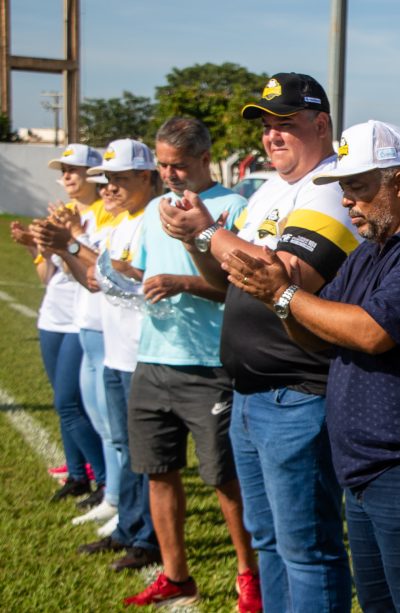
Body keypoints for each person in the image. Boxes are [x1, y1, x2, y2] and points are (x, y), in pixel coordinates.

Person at [221, 119, 400, 612]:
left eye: (356, 187)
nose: (347, 201)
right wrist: (279, 300)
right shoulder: (367, 254)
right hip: (372, 468)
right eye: (342, 189)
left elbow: (371, 333)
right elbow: (313, 333)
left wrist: (284, 293)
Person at [159, 73, 355, 612]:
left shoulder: (333, 184)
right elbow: (226, 280)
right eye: (267, 126)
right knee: (268, 539)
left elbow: (285, 272)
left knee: (307, 547)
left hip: (298, 391)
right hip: (251, 392)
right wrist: (196, 239)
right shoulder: (270, 189)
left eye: (285, 124)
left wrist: (208, 232)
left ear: (321, 124)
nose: (271, 136)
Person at [104, 118, 258, 610]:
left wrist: (184, 281)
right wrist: (129, 275)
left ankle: (248, 576)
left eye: (179, 165)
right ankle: (175, 574)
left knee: (223, 479)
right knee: (158, 471)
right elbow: (151, 274)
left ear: (204, 158)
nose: (169, 174)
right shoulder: (153, 207)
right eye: (163, 165)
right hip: (152, 358)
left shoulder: (233, 207)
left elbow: (241, 290)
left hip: (209, 366)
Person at [52, 139, 163, 573]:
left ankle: (145, 536)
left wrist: (75, 244)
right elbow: (97, 281)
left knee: (143, 454)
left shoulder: (153, 217)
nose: (110, 188)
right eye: (107, 180)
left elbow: (137, 278)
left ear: (145, 177)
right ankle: (129, 527)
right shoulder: (121, 222)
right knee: (124, 445)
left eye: (119, 179)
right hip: (117, 351)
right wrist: (64, 247)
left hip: (142, 352)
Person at [18, 144, 107, 505]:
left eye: (74, 169)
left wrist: (73, 238)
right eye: (63, 170)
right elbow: (45, 275)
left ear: (93, 174)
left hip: (80, 317)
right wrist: (36, 246)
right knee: (65, 403)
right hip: (52, 315)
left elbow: (97, 270)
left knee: (68, 403)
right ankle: (75, 474)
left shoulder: (105, 213)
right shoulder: (62, 213)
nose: (67, 177)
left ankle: (103, 478)